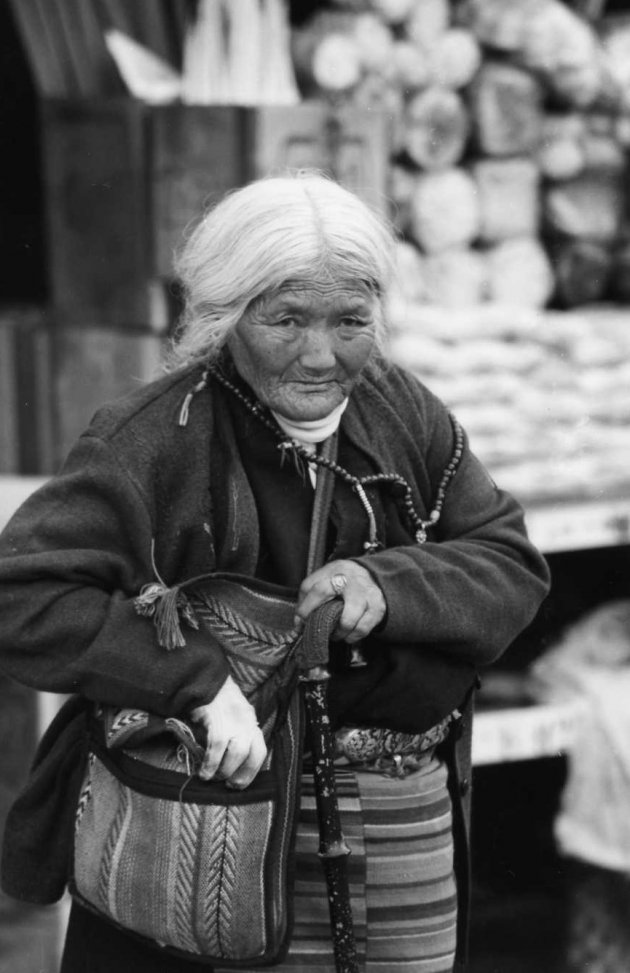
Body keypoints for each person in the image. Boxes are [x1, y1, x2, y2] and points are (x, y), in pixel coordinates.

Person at [0, 172, 550, 973]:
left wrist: (391, 585)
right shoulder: (157, 435)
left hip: (398, 827)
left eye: (351, 320)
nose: (322, 354)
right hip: (207, 834)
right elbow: (23, 596)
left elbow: (509, 561)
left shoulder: (399, 409)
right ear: (226, 317)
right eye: (285, 317)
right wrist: (192, 678)